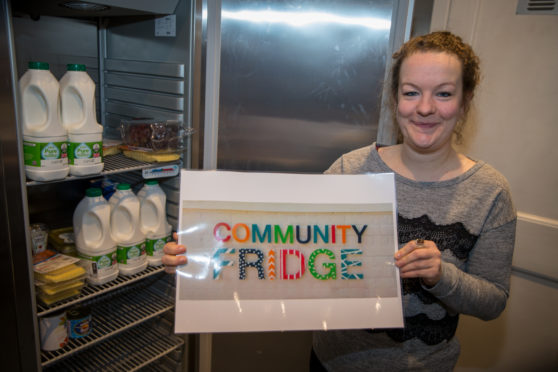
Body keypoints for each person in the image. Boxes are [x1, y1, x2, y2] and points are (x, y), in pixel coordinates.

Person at [163, 31, 516, 371]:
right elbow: (282, 248)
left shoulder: (490, 192)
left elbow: (493, 300)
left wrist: (442, 276)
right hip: (334, 363)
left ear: (465, 100)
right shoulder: (350, 169)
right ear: (395, 99)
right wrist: (199, 256)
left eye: (443, 94)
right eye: (411, 92)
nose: (424, 108)